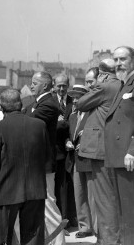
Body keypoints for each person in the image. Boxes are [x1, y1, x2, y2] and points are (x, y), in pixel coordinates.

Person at [0, 72, 66, 245]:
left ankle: (58, 243)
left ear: (45, 85)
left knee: (49, 211)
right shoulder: (37, 107)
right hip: (34, 183)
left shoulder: (47, 104)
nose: (31, 85)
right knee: (35, 227)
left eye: (35, 83)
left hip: (23, 181)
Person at [76, 58, 121, 245]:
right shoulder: (120, 85)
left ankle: (109, 240)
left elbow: (81, 103)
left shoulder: (104, 87)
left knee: (104, 199)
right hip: (111, 146)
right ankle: (107, 238)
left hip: (99, 148)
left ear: (102, 74)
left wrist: (95, 87)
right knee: (109, 197)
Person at [104, 46, 134, 245]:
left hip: (128, 157)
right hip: (116, 157)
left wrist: (132, 151)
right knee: (122, 211)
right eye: (115, 60)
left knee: (130, 210)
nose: (118, 64)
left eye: (122, 59)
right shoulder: (124, 85)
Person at [65, 84, 97, 239]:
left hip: (90, 160)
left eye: (79, 97)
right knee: (79, 194)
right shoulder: (72, 116)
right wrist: (67, 142)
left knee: (92, 194)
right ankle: (84, 227)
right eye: (74, 98)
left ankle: (97, 227)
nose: (76, 101)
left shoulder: (93, 114)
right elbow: (68, 134)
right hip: (75, 160)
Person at [53, 74, 76, 229]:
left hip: (70, 153)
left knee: (67, 188)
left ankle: (67, 221)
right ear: (54, 86)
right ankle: (57, 223)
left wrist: (64, 125)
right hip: (54, 152)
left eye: (64, 86)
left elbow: (75, 124)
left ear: (68, 86)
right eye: (59, 86)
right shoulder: (50, 103)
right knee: (55, 189)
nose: (61, 89)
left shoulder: (73, 102)